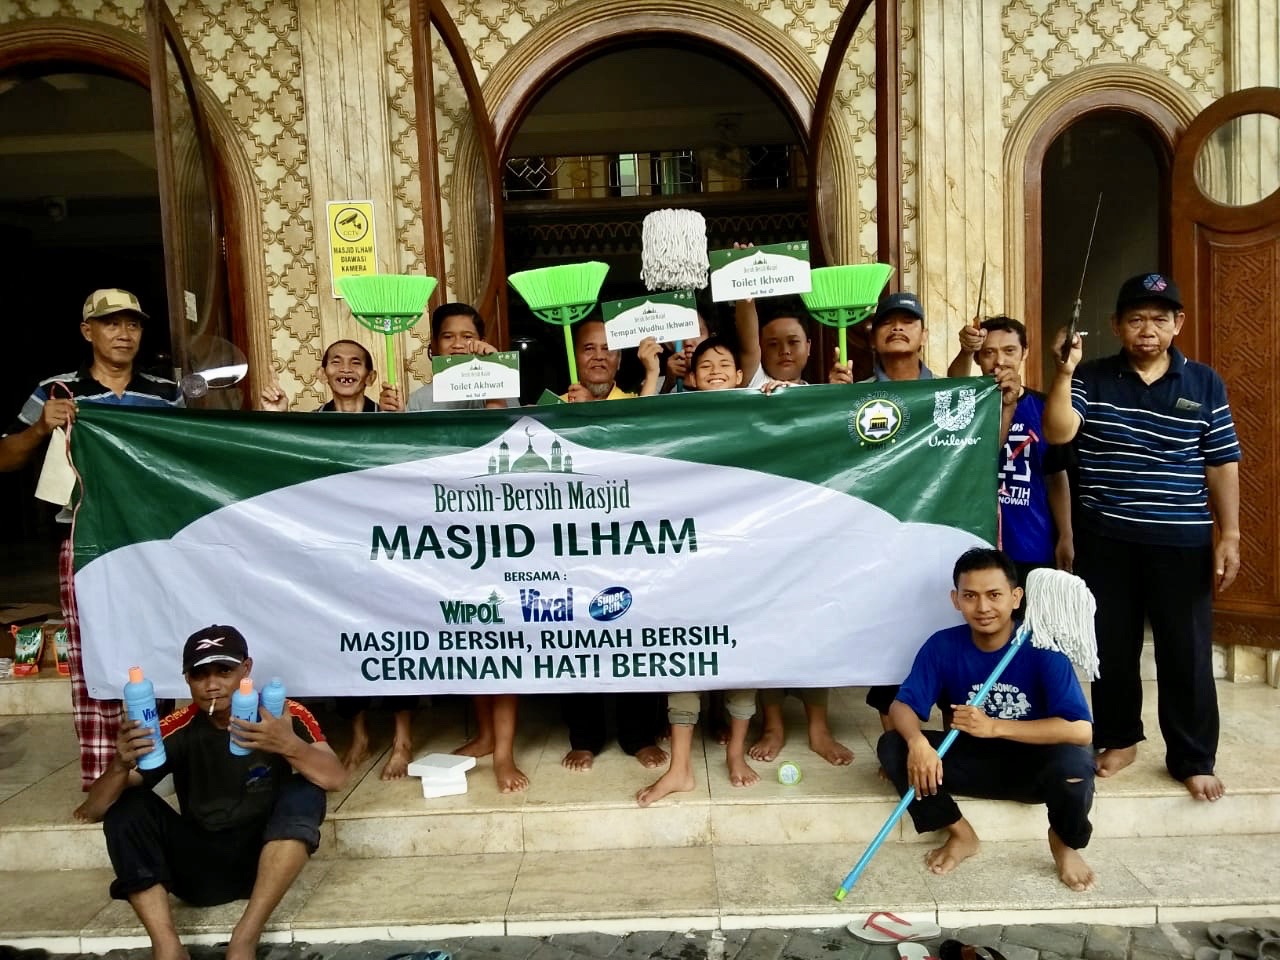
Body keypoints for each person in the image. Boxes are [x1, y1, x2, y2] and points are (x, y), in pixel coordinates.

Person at [1043, 273, 1241, 802]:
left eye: (1159, 318)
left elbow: (1221, 463)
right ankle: (1119, 739)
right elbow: (1060, 432)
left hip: (1182, 541)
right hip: (1105, 537)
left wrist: (1232, 534)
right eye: (1135, 319)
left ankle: (1193, 755)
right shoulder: (1094, 378)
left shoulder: (1204, 382)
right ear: (1116, 326)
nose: (1146, 329)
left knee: (1187, 651)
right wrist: (1063, 373)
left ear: (1177, 323)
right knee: (1111, 645)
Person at [0, 288, 182, 816]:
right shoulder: (57, 390)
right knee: (91, 655)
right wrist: (42, 425)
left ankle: (157, 766)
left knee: (159, 647)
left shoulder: (164, 394)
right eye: (110, 324)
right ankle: (105, 772)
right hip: (84, 538)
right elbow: (6, 458)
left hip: (151, 540)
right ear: (88, 332)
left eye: (133, 324)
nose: (123, 333)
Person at [79, 625, 344, 960]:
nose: (212, 684)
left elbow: (335, 777)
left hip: (265, 862)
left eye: (224, 671)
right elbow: (97, 808)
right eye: (199, 674)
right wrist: (118, 765)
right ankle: (167, 947)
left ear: (246, 669)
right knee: (126, 807)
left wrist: (290, 746)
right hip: (200, 870)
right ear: (187, 680)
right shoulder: (177, 727)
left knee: (306, 789)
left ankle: (245, 937)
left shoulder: (279, 715)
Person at [877, 548, 1096, 891]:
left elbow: (1081, 731)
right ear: (956, 599)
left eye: (994, 595)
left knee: (1075, 767)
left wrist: (995, 726)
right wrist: (918, 742)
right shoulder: (943, 646)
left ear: (1016, 597)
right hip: (972, 759)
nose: (982, 608)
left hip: (1035, 763)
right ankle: (961, 835)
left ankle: (1064, 842)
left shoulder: (1042, 647)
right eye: (970, 596)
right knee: (894, 745)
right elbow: (902, 706)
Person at [379, 303, 527, 793]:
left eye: (469, 337)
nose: (459, 345)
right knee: (471, 634)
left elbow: (506, 439)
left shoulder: (502, 387)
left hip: (498, 530)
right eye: (449, 337)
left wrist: (494, 377)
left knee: (502, 635)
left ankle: (504, 754)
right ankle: (484, 735)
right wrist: (395, 420)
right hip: (446, 534)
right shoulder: (420, 399)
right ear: (433, 348)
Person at [260, 340, 419, 781]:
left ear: (369, 375)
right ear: (324, 372)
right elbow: (280, 469)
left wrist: (399, 425)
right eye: (336, 362)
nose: (345, 369)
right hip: (333, 555)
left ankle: (403, 738)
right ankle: (361, 734)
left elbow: (413, 472)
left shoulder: (384, 419)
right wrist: (278, 420)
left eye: (356, 363)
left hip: (386, 551)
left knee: (395, 641)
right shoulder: (312, 427)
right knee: (345, 641)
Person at [639, 338, 760, 805]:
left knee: (746, 652)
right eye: (704, 364)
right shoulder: (678, 416)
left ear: (738, 377)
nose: (714, 369)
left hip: (746, 557)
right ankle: (680, 768)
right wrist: (651, 373)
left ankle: (735, 754)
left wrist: (787, 397)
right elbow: (634, 429)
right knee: (684, 650)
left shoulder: (757, 414)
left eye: (724, 363)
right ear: (689, 379)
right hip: (686, 559)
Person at [946, 316, 1074, 585]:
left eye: (1009, 351)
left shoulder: (1044, 407)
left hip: (1032, 543)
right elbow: (952, 385)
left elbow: (1056, 475)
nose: (999, 361)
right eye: (989, 352)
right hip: (974, 543)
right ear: (979, 358)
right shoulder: (964, 409)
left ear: (1025, 353)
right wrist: (966, 350)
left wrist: (1066, 535)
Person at [560, 319, 661, 402]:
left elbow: (642, 423)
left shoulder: (632, 405)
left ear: (619, 360)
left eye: (607, 349)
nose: (599, 356)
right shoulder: (552, 408)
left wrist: (652, 372)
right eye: (589, 348)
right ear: (574, 359)